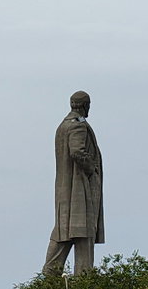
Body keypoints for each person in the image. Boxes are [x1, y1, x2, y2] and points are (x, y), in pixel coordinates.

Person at [43, 91, 104, 275]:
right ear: (86, 105)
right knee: (83, 237)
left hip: (64, 193)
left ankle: (48, 278)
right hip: (79, 192)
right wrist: (91, 167)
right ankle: (82, 285)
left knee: (63, 234)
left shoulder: (63, 126)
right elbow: (76, 152)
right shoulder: (78, 127)